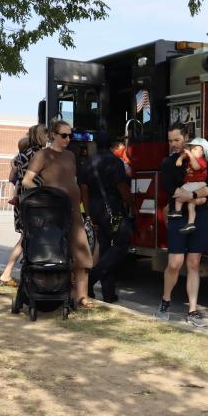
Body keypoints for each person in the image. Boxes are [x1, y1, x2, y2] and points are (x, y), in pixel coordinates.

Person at [21, 120, 95, 310]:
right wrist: (46, 196)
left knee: (82, 254)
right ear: (53, 134)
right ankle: (55, 293)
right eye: (64, 135)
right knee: (55, 254)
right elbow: (27, 181)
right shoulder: (43, 155)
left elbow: (73, 180)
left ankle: (82, 297)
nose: (67, 139)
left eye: (70, 135)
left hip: (74, 211)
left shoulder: (71, 155)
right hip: (52, 214)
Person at [156, 123, 208, 326]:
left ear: (186, 138)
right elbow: (172, 192)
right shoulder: (168, 163)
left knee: (193, 264)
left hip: (200, 216)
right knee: (174, 263)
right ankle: (165, 300)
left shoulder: (204, 161)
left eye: (177, 140)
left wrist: (191, 194)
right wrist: (196, 195)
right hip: (177, 216)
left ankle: (192, 310)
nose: (173, 144)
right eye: (170, 140)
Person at [80, 130, 134, 303]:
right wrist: (132, 204)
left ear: (95, 144)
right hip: (113, 211)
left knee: (104, 247)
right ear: (111, 144)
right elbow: (122, 188)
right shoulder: (115, 162)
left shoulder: (86, 164)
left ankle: (108, 293)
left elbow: (84, 191)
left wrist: (89, 215)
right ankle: (91, 280)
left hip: (95, 209)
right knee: (121, 243)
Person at [0, 124, 46, 287]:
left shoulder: (21, 155)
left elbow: (15, 176)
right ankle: (8, 272)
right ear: (41, 136)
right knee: (27, 238)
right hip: (37, 200)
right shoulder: (40, 154)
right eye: (46, 134)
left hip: (23, 199)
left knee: (26, 237)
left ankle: (24, 273)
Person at [167, 138, 208, 234]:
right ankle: (190, 224)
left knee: (179, 194)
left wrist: (190, 155)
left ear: (202, 152)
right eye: (191, 148)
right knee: (191, 205)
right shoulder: (192, 158)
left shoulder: (201, 161)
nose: (191, 150)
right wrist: (180, 159)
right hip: (194, 184)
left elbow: (196, 167)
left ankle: (177, 212)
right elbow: (184, 155)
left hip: (197, 183)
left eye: (195, 149)